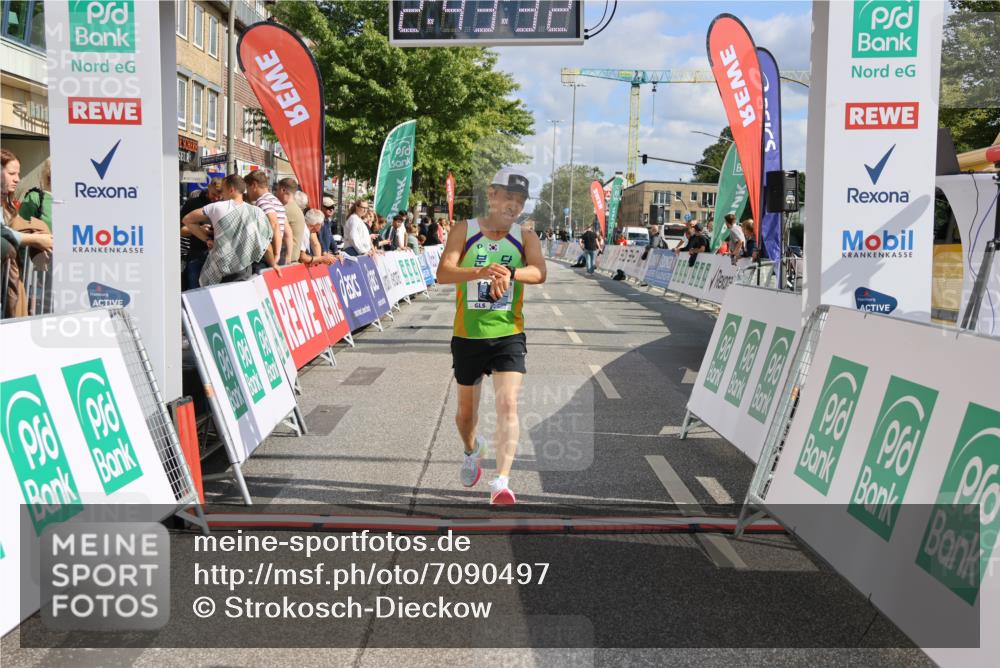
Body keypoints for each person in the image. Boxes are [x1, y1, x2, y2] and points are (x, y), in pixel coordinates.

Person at [436, 168, 547, 505]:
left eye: (521, 200)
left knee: (508, 403)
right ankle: (472, 450)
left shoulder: (525, 237)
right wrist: (482, 271)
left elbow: (540, 272)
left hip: (508, 333)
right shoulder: (465, 230)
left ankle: (501, 482)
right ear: (492, 194)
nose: (514, 204)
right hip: (469, 335)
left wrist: (509, 272)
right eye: (509, 197)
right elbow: (443, 273)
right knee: (466, 415)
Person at [182, 174, 279, 286]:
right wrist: (273, 264)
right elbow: (266, 245)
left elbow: (187, 220)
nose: (221, 194)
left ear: (231, 190)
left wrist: (206, 239)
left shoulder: (217, 207)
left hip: (218, 268)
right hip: (243, 270)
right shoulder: (257, 213)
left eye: (223, 190)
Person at [180, 178, 223, 290]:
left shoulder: (225, 204)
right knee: (194, 291)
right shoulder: (193, 203)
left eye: (220, 196)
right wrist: (199, 229)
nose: (216, 199)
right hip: (197, 255)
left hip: (219, 256)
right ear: (209, 187)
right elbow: (180, 230)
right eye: (214, 194)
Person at [245, 171, 288, 265]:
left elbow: (274, 224)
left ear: (254, 185)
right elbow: (286, 231)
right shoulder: (276, 201)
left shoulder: (262, 201)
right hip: (277, 252)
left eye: (247, 188)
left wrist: (276, 254)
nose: (247, 192)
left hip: (268, 256)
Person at [278, 178, 306, 265]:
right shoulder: (297, 209)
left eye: (277, 190)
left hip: (285, 260)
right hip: (292, 259)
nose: (276, 193)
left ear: (283, 190)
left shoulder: (285, 210)